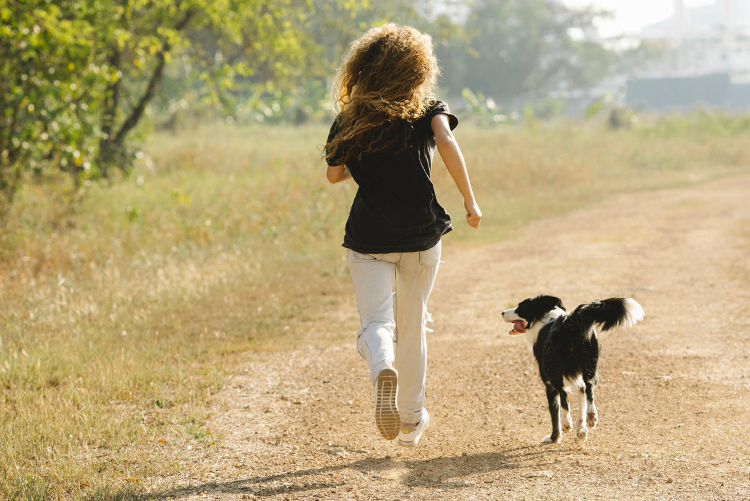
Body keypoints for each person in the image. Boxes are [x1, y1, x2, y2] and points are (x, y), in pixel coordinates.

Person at [324, 23, 482, 447]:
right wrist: (470, 201)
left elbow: (334, 174)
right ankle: (411, 419)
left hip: (368, 237)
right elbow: (447, 142)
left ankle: (381, 368)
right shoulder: (428, 109)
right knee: (413, 326)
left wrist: (363, 160)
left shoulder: (350, 117)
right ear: (418, 68)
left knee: (376, 322)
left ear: (364, 68)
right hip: (420, 236)